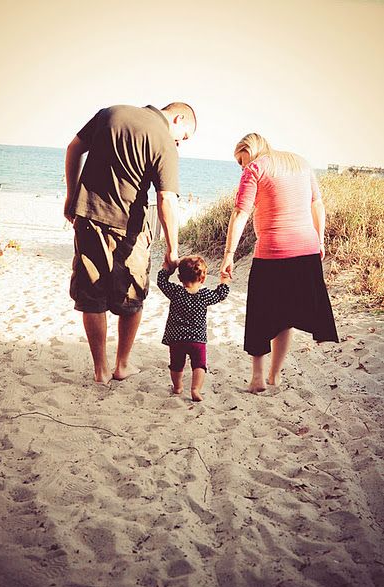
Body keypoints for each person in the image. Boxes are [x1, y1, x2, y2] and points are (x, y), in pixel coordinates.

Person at [64, 102, 197, 383]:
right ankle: (121, 365)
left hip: (89, 216)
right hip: (130, 228)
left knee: (92, 295)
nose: (179, 143)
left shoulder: (110, 113)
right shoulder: (163, 141)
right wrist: (173, 249)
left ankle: (99, 369)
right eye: (183, 136)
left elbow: (73, 148)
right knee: (133, 296)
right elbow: (166, 200)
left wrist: (71, 194)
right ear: (178, 117)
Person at [220, 133, 338, 393]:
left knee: (261, 316)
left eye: (241, 160)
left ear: (249, 150)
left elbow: (240, 212)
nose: (242, 166)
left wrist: (229, 254)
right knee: (285, 317)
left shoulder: (255, 168)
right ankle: (275, 376)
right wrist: (319, 240)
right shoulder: (300, 163)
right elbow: (317, 203)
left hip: (273, 252)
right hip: (306, 250)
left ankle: (258, 378)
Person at [157, 255, 230, 401]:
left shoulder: (176, 292)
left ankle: (178, 387)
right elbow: (221, 294)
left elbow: (161, 282)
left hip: (176, 338)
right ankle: (195, 389)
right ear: (202, 278)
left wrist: (167, 268)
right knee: (199, 365)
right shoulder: (204, 295)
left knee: (176, 365)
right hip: (197, 340)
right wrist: (224, 281)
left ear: (179, 277)